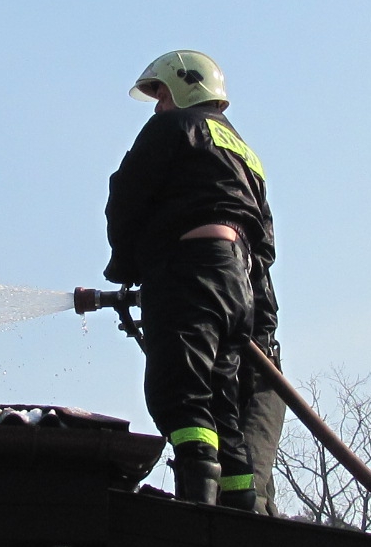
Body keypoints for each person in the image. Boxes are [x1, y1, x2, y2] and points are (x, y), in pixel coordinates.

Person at [105, 49, 279, 510]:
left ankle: (195, 516)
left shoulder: (174, 127)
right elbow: (265, 245)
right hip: (238, 286)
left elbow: (126, 195)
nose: (158, 105)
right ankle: (240, 514)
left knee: (178, 393)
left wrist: (124, 265)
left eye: (161, 93)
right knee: (223, 406)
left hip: (189, 271)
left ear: (185, 86)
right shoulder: (248, 155)